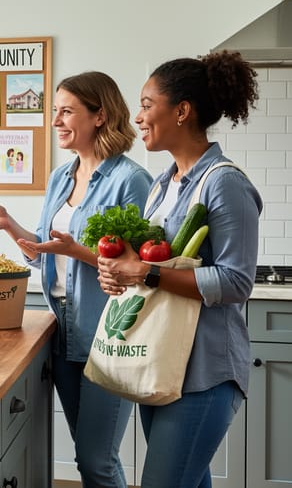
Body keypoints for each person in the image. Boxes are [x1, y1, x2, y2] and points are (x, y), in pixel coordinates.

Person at [0, 71, 152, 487]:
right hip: (61, 329)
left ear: (100, 116)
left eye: (67, 112)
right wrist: (9, 225)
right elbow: (45, 250)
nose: (56, 121)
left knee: (98, 459)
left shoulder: (130, 180)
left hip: (109, 333)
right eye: (55, 112)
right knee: (86, 455)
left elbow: (136, 271)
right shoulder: (61, 177)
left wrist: (77, 251)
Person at [97, 51, 261, 488]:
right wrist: (118, 273)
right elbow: (147, 265)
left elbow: (237, 282)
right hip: (164, 361)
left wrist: (145, 274)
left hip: (205, 373)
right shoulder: (161, 185)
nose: (138, 116)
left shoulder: (224, 182)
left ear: (182, 111)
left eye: (147, 104)